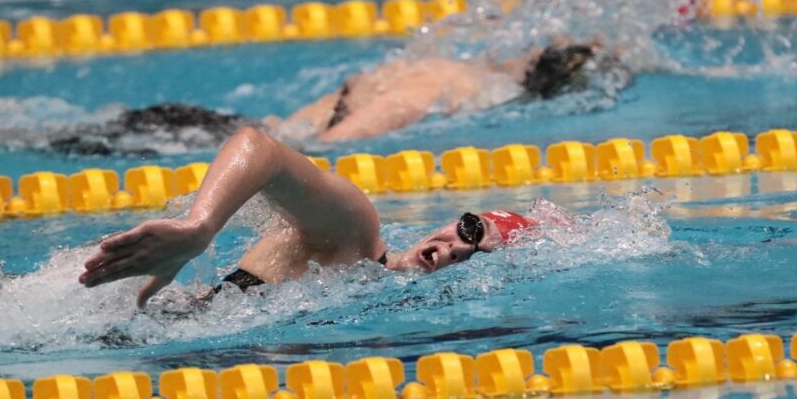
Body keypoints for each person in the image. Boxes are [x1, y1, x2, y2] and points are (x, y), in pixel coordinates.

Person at [78, 126, 538, 307]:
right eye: (470, 229)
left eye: (476, 256)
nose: (458, 248)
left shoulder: (365, 290)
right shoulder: (356, 233)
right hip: (96, 302)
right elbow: (260, 148)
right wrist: (200, 228)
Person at [47, 43, 605, 153]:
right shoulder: (449, 86)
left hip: (226, 128)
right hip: (228, 137)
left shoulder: (450, 73)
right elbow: (335, 144)